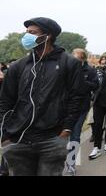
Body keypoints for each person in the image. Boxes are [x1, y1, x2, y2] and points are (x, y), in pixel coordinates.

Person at [0, 17, 84, 176]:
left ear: (47, 36)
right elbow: (5, 101)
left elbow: (77, 98)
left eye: (32, 32)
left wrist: (66, 130)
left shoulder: (69, 63)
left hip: (52, 140)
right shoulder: (18, 66)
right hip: (18, 141)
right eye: (26, 32)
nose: (26, 36)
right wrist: (4, 135)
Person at [64, 48, 99, 175]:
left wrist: (82, 83)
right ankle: (57, 161)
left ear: (83, 59)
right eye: (73, 58)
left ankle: (71, 163)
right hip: (65, 106)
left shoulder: (90, 70)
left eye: (78, 59)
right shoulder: (66, 68)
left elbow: (95, 85)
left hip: (81, 107)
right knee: (62, 135)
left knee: (75, 134)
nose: (74, 61)